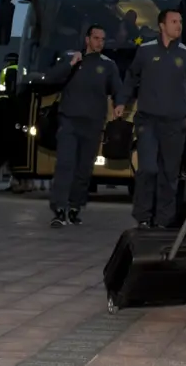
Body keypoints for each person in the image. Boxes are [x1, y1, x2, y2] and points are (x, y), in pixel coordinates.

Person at [114, 9, 186, 228]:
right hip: (148, 121)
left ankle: (163, 221)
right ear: (162, 25)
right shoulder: (145, 51)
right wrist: (121, 102)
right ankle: (143, 217)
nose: (178, 25)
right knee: (148, 168)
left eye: (180, 21)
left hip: (175, 124)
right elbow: (131, 78)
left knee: (169, 175)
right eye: (174, 21)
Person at [44, 25, 122, 227]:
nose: (100, 42)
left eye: (103, 39)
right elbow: (51, 77)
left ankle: (74, 207)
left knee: (83, 168)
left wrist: (119, 103)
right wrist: (71, 63)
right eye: (96, 38)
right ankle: (59, 209)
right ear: (87, 39)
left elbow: (118, 89)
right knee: (65, 164)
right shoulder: (72, 58)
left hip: (93, 123)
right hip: (69, 120)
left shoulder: (108, 65)